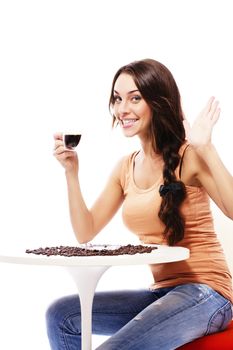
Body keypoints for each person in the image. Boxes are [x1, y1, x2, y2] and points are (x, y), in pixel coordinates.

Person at [47, 58, 233, 350]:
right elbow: (86, 232)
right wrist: (71, 172)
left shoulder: (190, 156)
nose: (123, 109)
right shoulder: (126, 167)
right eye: (118, 99)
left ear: (158, 102)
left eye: (135, 98)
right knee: (61, 314)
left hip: (207, 294)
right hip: (161, 292)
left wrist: (206, 148)